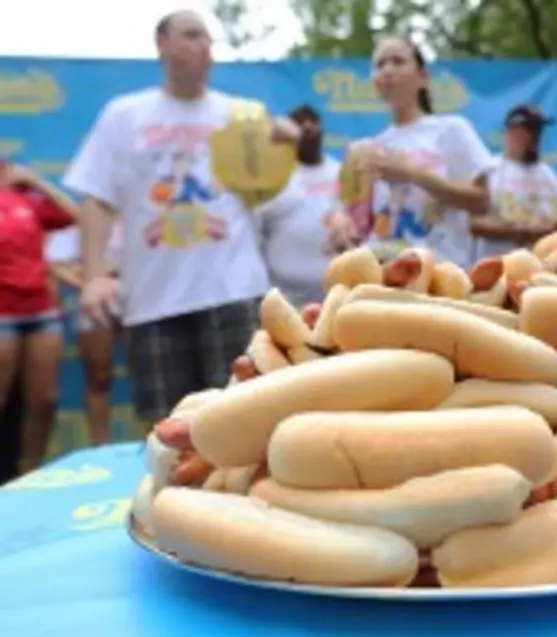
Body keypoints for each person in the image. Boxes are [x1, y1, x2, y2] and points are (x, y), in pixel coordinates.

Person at [62, 10, 299, 430]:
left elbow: (271, 189)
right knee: (168, 431)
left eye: (208, 38)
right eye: (191, 36)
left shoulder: (243, 115)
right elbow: (96, 199)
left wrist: (284, 145)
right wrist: (95, 275)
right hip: (153, 301)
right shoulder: (125, 115)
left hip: (234, 291)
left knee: (247, 418)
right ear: (162, 45)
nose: (203, 45)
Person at [356, 35, 495, 267]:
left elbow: (481, 200)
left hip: (440, 275)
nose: (388, 70)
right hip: (385, 275)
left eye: (398, 61)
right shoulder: (375, 145)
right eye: (380, 64)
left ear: (423, 77)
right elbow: (369, 220)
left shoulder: (451, 129)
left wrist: (412, 174)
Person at [0, 161, 76, 473]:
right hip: (2, 312)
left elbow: (73, 216)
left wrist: (38, 182)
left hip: (41, 310)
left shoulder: (25, 199)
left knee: (44, 399)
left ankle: (30, 472)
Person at [255, 104, 355, 308]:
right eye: (300, 125)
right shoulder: (273, 178)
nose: (308, 129)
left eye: (313, 124)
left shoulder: (342, 173)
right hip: (285, 300)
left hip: (337, 298)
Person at [45, 224, 122, 444]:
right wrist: (90, 283)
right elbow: (54, 263)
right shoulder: (75, 226)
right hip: (93, 300)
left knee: (152, 371)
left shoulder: (138, 214)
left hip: (139, 296)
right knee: (98, 375)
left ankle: (156, 441)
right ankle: (100, 445)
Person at [470, 105, 557, 260]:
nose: (537, 136)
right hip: (497, 265)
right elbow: (474, 225)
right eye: (531, 129)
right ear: (512, 131)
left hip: (539, 265)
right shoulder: (489, 170)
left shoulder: (547, 173)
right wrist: (525, 230)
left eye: (539, 130)